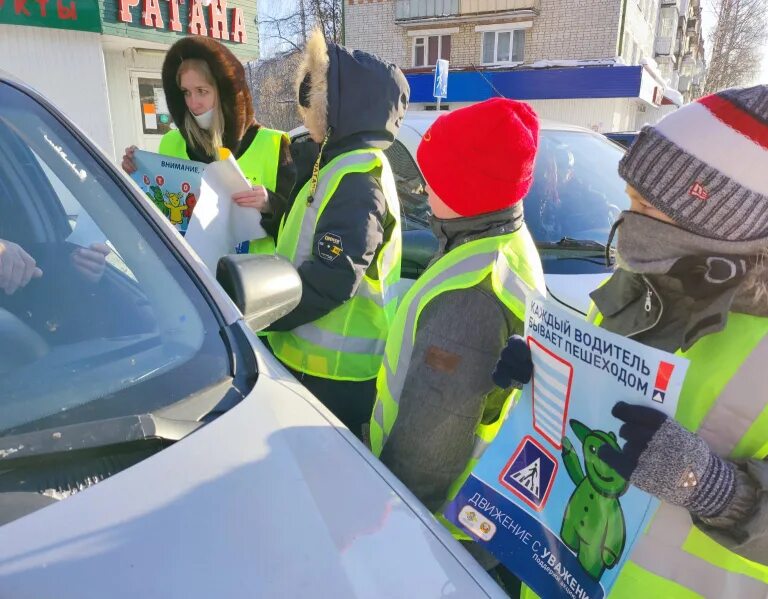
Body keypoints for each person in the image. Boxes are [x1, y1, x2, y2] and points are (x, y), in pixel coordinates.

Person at [495, 68, 768, 597]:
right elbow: (598, 412)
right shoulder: (641, 283)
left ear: (720, 220)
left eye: (647, 207)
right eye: (630, 199)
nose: (627, 220)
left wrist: (716, 491)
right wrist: (545, 379)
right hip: (560, 573)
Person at [367, 98, 545, 591]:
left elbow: (432, 439)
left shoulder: (470, 296)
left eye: (435, 181)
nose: (424, 190)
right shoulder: (507, 236)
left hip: (437, 527)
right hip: (475, 519)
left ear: (469, 192)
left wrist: (394, 519)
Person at [257, 30, 409, 437]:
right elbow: (307, 240)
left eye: (315, 91)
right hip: (315, 365)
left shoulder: (358, 176)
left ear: (343, 104)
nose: (305, 104)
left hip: (332, 377)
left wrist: (260, 314)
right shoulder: (340, 162)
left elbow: (333, 277)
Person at [120, 37, 294, 232]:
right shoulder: (171, 143)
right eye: (186, 92)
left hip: (252, 262)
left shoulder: (272, 143)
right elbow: (159, 211)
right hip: (188, 262)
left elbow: (298, 225)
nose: (193, 103)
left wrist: (270, 204)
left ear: (225, 93)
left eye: (202, 91)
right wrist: (137, 174)